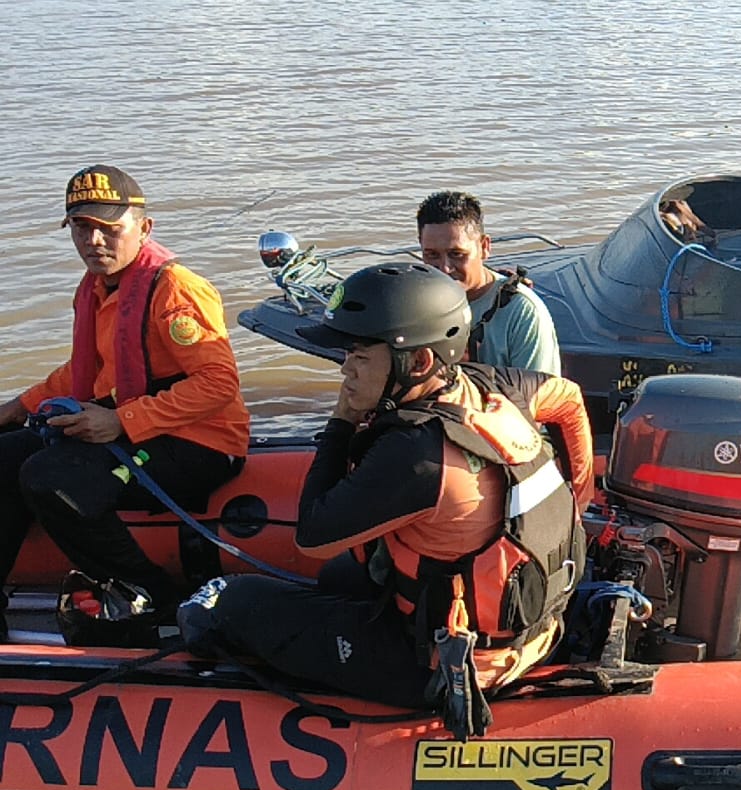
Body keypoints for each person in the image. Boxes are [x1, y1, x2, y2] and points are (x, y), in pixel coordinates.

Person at [179, 262, 593, 718]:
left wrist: (340, 423)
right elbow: (569, 399)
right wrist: (580, 493)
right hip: (531, 628)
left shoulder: (416, 455)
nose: (345, 371)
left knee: (232, 601)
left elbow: (313, 537)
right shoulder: (494, 386)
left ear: (418, 362)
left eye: (359, 355)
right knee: (340, 574)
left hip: (445, 663)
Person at [0, 165, 250, 637]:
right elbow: (87, 372)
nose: (94, 241)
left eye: (108, 229)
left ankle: (152, 596)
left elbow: (219, 383)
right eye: (82, 227)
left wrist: (121, 422)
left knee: (50, 478)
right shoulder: (99, 289)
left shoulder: (174, 288)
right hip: (139, 428)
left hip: (202, 443)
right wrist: (19, 406)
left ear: (143, 228)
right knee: (7, 454)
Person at [416, 190, 562, 376]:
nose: (444, 268)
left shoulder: (522, 312)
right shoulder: (415, 305)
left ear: (484, 247)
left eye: (457, 254)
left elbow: (540, 397)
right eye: (432, 255)